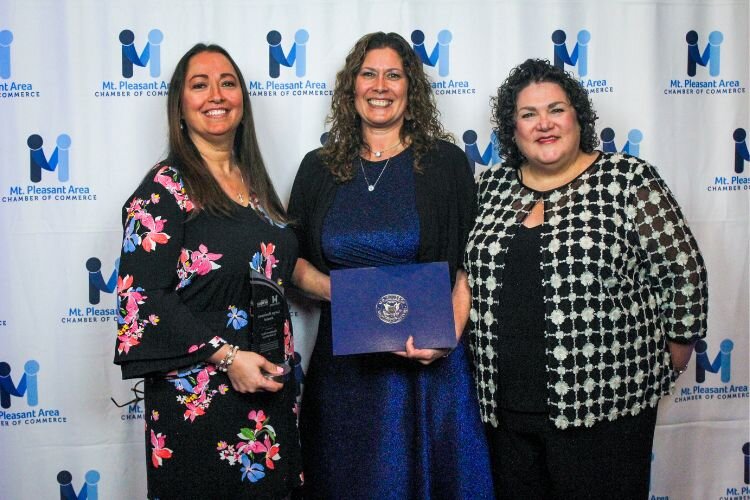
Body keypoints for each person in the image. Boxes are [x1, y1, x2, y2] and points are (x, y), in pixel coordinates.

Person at [462, 58, 708, 499]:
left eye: (556, 109)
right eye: (528, 114)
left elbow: (683, 275)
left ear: (578, 116)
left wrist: (667, 360)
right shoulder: (489, 188)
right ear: (511, 128)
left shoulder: (627, 180)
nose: (544, 124)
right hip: (504, 410)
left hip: (608, 406)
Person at [287, 32, 494, 498]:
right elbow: (290, 261)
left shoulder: (445, 163)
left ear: (410, 88)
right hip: (344, 375)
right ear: (351, 86)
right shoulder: (317, 169)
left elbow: (468, 267)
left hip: (426, 370)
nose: (380, 86)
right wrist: (339, 292)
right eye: (369, 73)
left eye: (393, 75)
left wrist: (447, 338)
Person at [113, 43, 302, 499]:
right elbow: (143, 297)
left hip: (269, 395)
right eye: (200, 85)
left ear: (243, 101)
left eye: (228, 83)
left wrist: (352, 292)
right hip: (201, 402)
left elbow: (280, 268)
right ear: (180, 106)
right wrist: (229, 358)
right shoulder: (164, 189)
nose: (216, 95)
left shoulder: (254, 184)